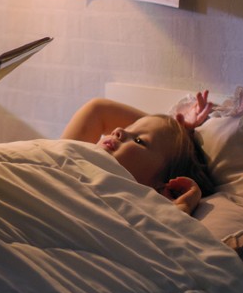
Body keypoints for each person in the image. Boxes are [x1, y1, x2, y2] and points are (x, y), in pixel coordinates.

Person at [61, 91, 215, 215]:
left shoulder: (133, 213)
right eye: (128, 128)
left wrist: (183, 206)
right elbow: (98, 109)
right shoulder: (67, 158)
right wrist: (175, 130)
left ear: (163, 188)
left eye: (139, 141)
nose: (118, 130)